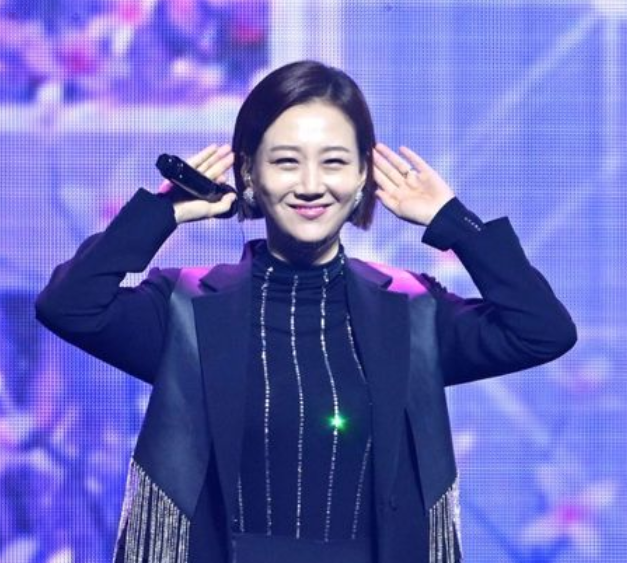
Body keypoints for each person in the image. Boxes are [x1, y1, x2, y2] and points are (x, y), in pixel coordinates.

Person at [35, 60, 577, 563]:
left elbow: (541, 331)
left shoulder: (412, 313)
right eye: (286, 162)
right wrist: (159, 213)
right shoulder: (186, 309)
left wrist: (455, 223)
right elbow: (69, 306)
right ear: (249, 172)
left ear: (364, 174)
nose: (312, 186)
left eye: (334, 162)